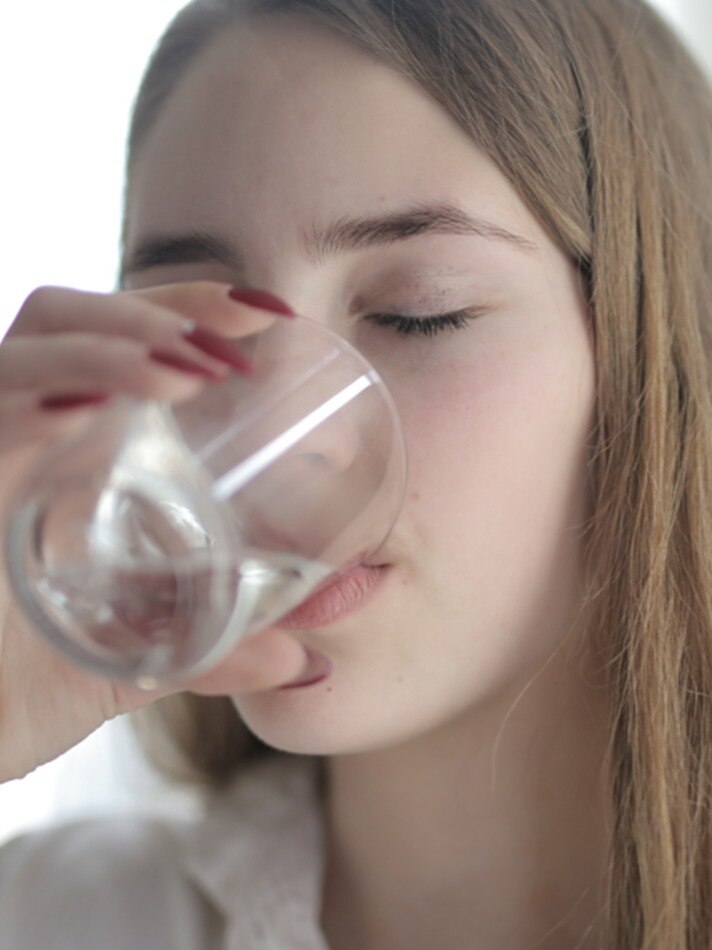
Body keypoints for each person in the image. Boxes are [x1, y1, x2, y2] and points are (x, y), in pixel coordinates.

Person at [1, 0, 712, 946]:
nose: (287, 438)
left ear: (652, 353)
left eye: (423, 312)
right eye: (198, 336)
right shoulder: (60, 918)